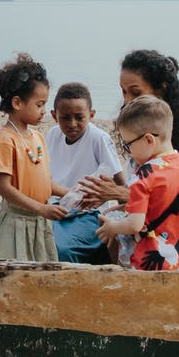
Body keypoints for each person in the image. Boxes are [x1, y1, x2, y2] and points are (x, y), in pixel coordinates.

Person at [73, 49, 179, 242]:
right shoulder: (136, 123)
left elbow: (178, 191)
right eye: (124, 92)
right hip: (157, 210)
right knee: (111, 220)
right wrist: (111, 196)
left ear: (161, 89)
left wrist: (118, 193)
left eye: (135, 92)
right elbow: (138, 181)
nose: (128, 100)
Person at [96, 96, 179, 271]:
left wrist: (113, 227)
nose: (129, 152)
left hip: (156, 266)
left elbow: (134, 224)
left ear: (148, 140)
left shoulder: (143, 176)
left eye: (128, 145)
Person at [0, 53, 69, 262]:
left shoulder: (37, 137)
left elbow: (44, 181)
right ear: (17, 103)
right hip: (17, 222)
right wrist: (41, 208)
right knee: (14, 272)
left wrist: (71, 193)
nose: (44, 111)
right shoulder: (6, 140)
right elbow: (4, 187)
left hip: (39, 220)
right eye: (39, 104)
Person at [44, 81, 124, 264]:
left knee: (61, 249)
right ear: (54, 115)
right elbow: (44, 177)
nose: (72, 124)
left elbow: (120, 181)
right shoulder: (53, 135)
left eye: (79, 117)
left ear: (92, 115)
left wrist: (122, 215)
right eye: (65, 117)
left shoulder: (98, 139)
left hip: (88, 212)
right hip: (57, 206)